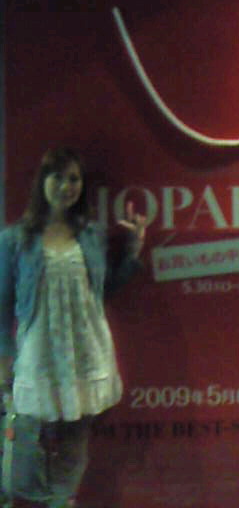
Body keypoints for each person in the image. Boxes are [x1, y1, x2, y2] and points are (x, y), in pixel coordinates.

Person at [0, 147, 146, 508]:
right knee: (26, 438)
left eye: (74, 179)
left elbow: (103, 290)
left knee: (75, 439)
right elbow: (2, 303)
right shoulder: (15, 239)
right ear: (42, 181)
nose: (65, 186)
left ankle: (63, 500)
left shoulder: (92, 234)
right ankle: (36, 499)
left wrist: (132, 251)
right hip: (38, 354)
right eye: (58, 177)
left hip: (85, 349)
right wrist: (4, 358)